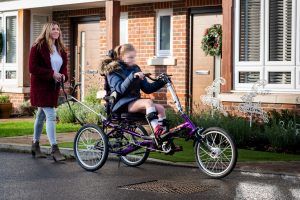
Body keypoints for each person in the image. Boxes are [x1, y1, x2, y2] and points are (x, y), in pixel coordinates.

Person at [100, 44, 168, 140]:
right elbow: (120, 89)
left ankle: (163, 134)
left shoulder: (135, 68)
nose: (133, 60)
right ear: (121, 57)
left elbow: (147, 89)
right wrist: (132, 77)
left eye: (134, 57)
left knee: (160, 108)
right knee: (148, 102)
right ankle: (157, 130)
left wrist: (162, 81)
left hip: (134, 102)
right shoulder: (113, 71)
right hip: (120, 104)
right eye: (130, 57)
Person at [29, 21, 68, 161]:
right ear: (47, 31)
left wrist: (63, 75)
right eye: (53, 29)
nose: (56, 31)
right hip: (41, 88)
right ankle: (54, 148)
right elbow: (32, 68)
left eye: (58, 29)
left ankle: (35, 145)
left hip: (53, 88)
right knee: (51, 115)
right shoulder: (37, 47)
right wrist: (51, 73)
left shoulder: (61, 49)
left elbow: (64, 68)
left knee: (40, 115)